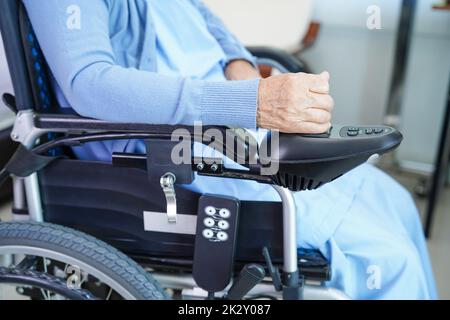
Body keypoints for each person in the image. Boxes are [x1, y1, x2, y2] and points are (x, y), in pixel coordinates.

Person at [23, 0, 437, 299]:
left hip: (227, 128)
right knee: (388, 257)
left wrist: (241, 69)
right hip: (170, 149)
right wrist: (252, 102)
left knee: (395, 200)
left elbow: (206, 22)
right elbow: (89, 83)